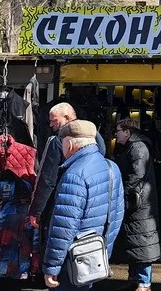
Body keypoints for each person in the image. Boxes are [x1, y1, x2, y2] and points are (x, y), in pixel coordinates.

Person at [42, 120, 124, 290]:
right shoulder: (112, 167)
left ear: (70, 143)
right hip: (96, 255)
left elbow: (63, 227)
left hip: (73, 259)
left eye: (63, 142)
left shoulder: (74, 175)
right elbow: (117, 214)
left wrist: (51, 267)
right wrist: (105, 251)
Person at [29, 103, 106, 237]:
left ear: (66, 117)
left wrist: (36, 211)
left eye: (54, 120)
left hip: (62, 204)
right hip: (95, 205)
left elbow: (47, 179)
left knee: (59, 242)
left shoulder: (57, 141)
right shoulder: (95, 137)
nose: (51, 125)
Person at [113, 119, 161, 291]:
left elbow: (136, 176)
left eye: (118, 130)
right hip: (136, 201)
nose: (116, 134)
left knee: (142, 241)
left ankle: (144, 282)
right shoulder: (132, 147)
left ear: (127, 132)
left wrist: (123, 195)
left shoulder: (137, 148)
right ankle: (135, 277)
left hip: (138, 203)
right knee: (135, 241)